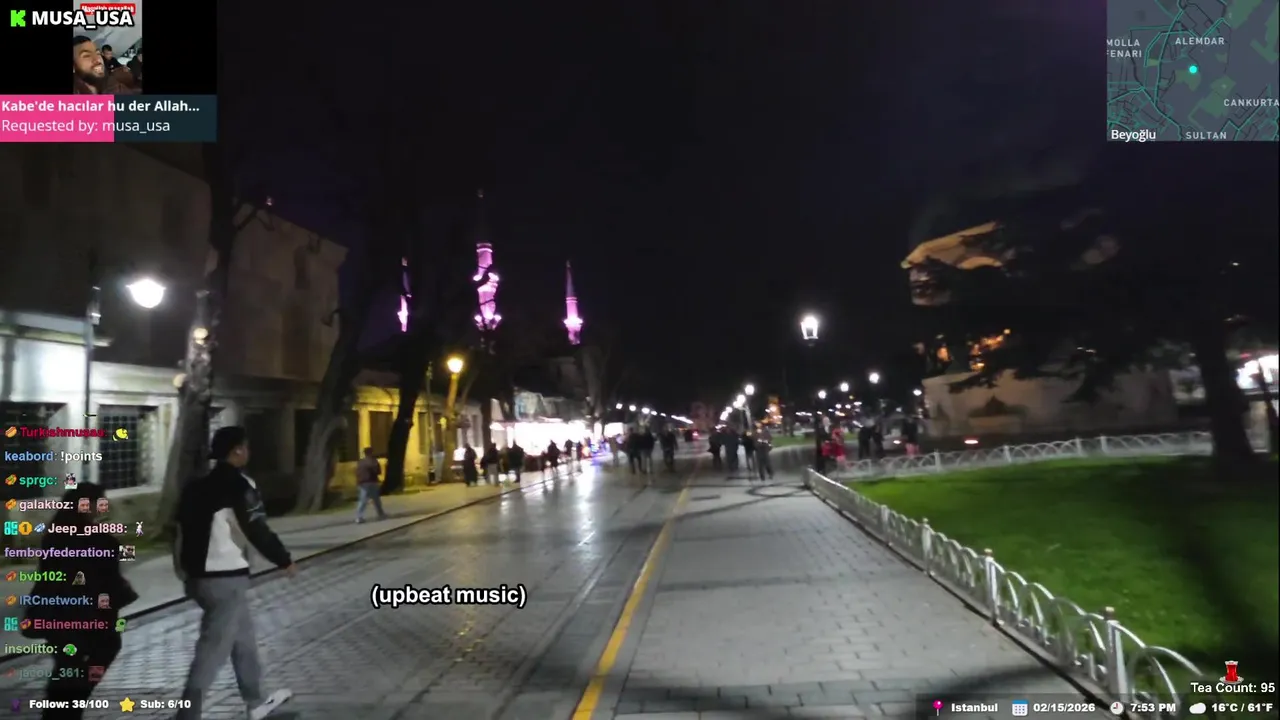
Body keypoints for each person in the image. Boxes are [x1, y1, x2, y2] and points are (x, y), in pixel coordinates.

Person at [174, 426, 294, 719]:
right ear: (238, 450)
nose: (248, 452)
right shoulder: (240, 485)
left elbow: (176, 531)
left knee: (243, 640)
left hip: (198, 577)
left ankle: (256, 702)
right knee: (212, 650)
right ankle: (187, 714)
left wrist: (183, 570)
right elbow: (256, 528)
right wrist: (283, 559)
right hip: (225, 576)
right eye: (246, 447)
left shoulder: (194, 487)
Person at [23, 483, 135, 719]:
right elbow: (103, 576)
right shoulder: (94, 538)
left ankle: (60, 711)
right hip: (84, 614)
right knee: (92, 658)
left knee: (67, 666)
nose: (103, 506)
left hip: (57, 614)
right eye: (99, 502)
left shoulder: (56, 534)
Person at [354, 447, 388, 524]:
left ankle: (359, 517)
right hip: (371, 482)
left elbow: (357, 472)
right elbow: (378, 471)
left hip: (362, 483)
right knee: (376, 500)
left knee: (363, 500)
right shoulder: (373, 461)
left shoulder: (361, 462)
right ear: (371, 453)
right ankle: (380, 514)